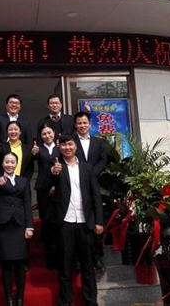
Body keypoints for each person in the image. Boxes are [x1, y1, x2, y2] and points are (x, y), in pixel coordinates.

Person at [45, 134, 103, 306]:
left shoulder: (87, 168)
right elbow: (43, 186)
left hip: (86, 223)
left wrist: (99, 221)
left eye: (70, 144)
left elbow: (95, 196)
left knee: (88, 267)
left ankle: (90, 302)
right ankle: (65, 302)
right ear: (59, 147)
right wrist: (52, 173)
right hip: (65, 223)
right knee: (64, 267)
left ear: (76, 146)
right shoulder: (56, 167)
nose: (67, 148)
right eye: (64, 145)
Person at [0, 152, 34, 306]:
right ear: (2, 164)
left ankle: (20, 298)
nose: (9, 165)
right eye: (7, 162)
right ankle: (9, 298)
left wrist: (29, 226)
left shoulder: (23, 181)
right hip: (4, 227)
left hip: (20, 225)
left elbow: (27, 204)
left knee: (20, 264)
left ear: (16, 164)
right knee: (6, 264)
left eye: (12, 162)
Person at [73, 111, 109, 270]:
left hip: (94, 184)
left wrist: (91, 173)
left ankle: (97, 256)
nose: (82, 125)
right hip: (76, 184)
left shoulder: (98, 142)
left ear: (90, 124)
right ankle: (78, 259)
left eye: (85, 123)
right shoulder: (72, 142)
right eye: (79, 123)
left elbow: (103, 160)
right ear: (75, 125)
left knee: (96, 220)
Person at [33, 124, 62, 270]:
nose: (47, 136)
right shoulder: (38, 149)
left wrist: (56, 185)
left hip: (59, 187)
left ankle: (59, 255)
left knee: (59, 221)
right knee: (46, 221)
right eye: (44, 134)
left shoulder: (60, 147)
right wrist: (33, 153)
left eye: (49, 133)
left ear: (54, 133)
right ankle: (49, 256)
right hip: (43, 187)